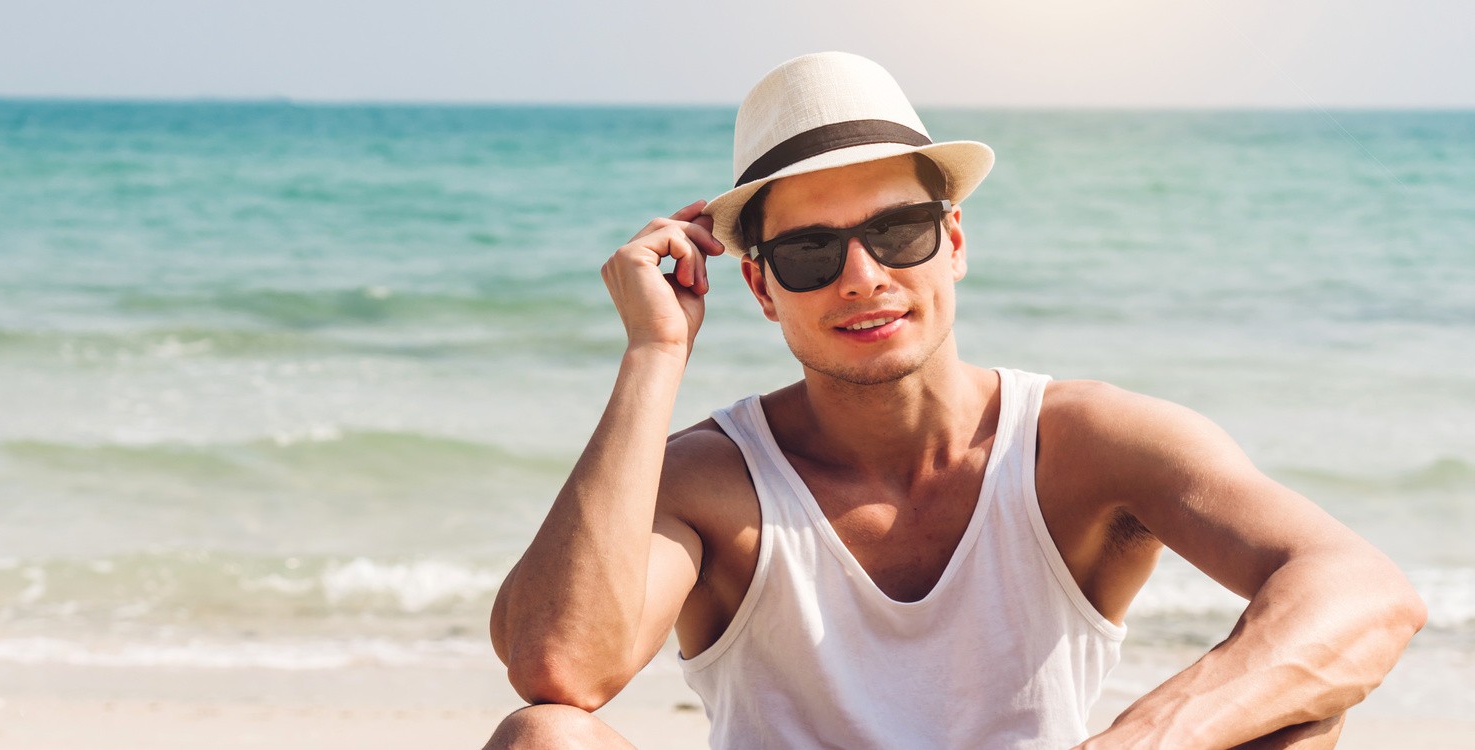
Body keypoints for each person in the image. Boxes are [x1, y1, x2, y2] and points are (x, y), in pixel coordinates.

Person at [483, 52, 1426, 749]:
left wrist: (1140, 742)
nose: (862, 278)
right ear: (762, 289)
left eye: (897, 231)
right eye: (811, 253)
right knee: (548, 738)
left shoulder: (1080, 442)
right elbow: (560, 667)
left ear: (955, 241)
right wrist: (655, 354)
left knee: (1297, 722)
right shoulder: (711, 480)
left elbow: (1365, 594)